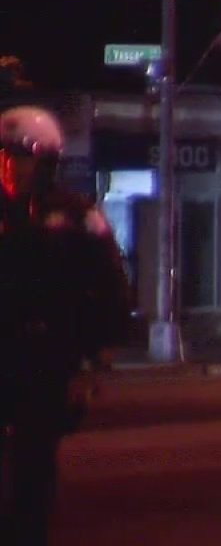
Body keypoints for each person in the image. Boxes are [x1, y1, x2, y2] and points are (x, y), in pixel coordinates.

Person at [0, 105, 134, 545]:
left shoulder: (77, 217)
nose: (11, 164)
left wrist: (94, 361)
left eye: (20, 154)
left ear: (47, 158)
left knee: (33, 466)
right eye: (5, 154)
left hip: (47, 358)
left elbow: (110, 290)